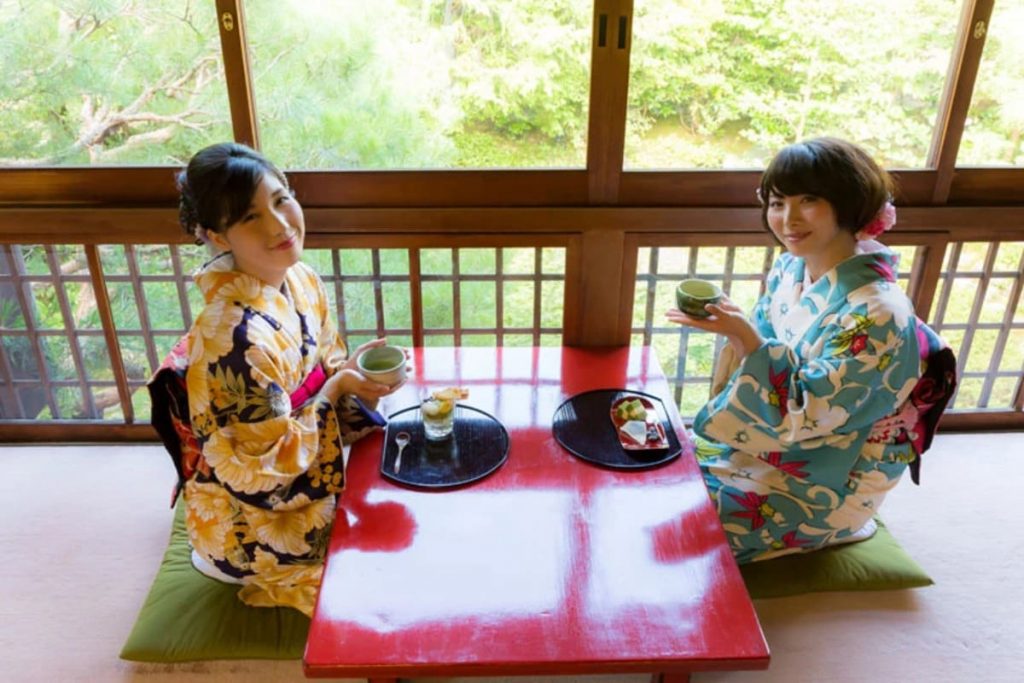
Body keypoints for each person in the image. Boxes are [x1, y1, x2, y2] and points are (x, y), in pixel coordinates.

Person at [667, 137, 954, 564]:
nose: (788, 219)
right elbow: (767, 343)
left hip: (829, 476)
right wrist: (742, 334)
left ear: (851, 205)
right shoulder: (792, 266)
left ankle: (841, 527)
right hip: (769, 446)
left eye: (809, 200)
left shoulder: (878, 311)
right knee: (656, 478)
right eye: (778, 202)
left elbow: (813, 413)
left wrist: (746, 339)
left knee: (685, 532)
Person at [165, 142, 401, 615]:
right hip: (255, 516)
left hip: (302, 444)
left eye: (280, 199)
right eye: (250, 217)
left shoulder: (300, 278)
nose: (279, 225)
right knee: (382, 570)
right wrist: (335, 390)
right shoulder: (236, 339)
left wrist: (345, 375)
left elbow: (322, 365)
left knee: (403, 487)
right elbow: (262, 473)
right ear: (217, 234)